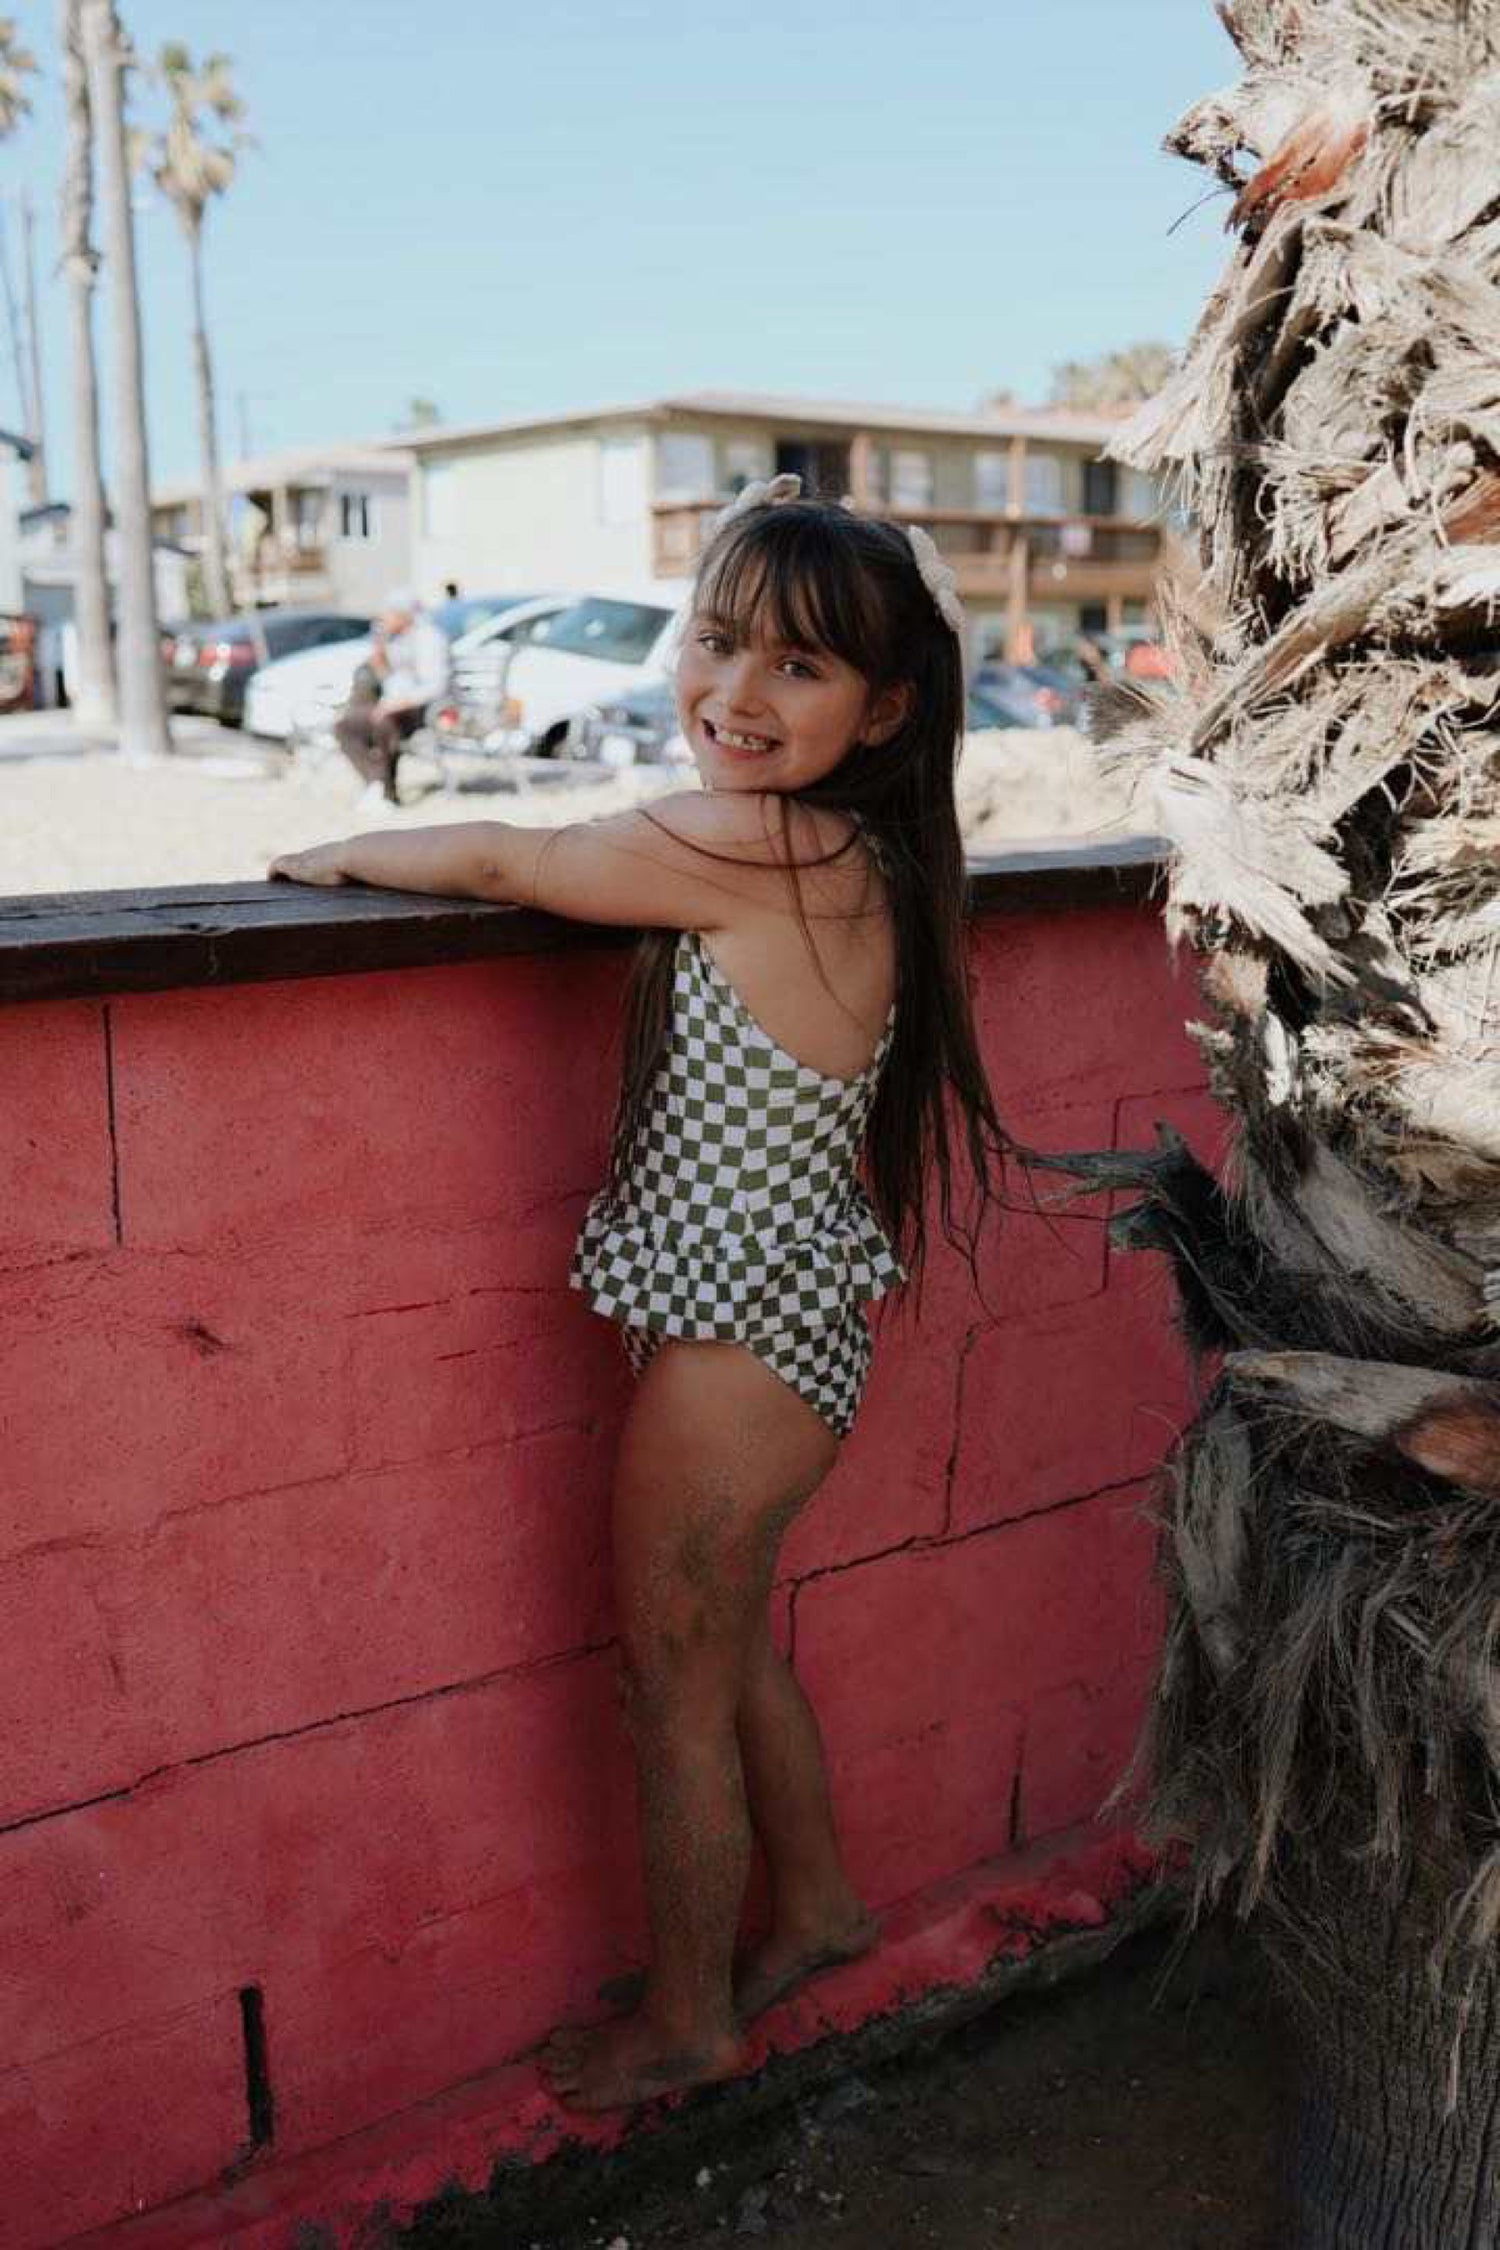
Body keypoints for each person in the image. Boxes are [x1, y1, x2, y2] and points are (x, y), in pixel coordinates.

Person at [268, 477, 1008, 2112]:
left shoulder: (760, 845)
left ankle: (686, 2021)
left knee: (665, 1676)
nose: (737, 697)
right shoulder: (852, 847)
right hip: (781, 1333)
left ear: (883, 709)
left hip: (739, 1353)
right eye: (719, 642)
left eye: (799, 672)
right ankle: (815, 1907)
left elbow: (511, 853)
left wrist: (318, 856)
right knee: (726, 1643)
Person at [333, 591, 450, 809]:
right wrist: (379, 653)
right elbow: (390, 679)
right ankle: (378, 784)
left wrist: (395, 705)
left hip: (422, 709)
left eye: (387, 615)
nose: (383, 620)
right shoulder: (397, 639)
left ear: (402, 614)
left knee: (386, 722)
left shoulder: (429, 638)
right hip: (392, 703)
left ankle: (382, 791)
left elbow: (435, 686)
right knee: (345, 726)